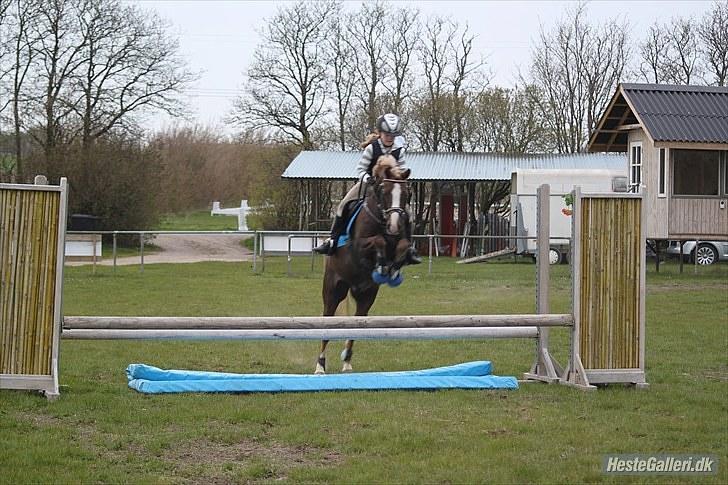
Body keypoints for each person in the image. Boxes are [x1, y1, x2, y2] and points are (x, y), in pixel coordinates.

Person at [314, 113, 421, 264]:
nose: (390, 137)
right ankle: (332, 240)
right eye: (387, 134)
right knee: (343, 204)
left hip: (390, 188)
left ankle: (409, 249)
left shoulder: (399, 150)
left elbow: (402, 169)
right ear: (380, 133)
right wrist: (368, 179)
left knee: (408, 213)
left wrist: (401, 179)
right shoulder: (372, 148)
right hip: (368, 184)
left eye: (393, 134)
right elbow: (360, 169)